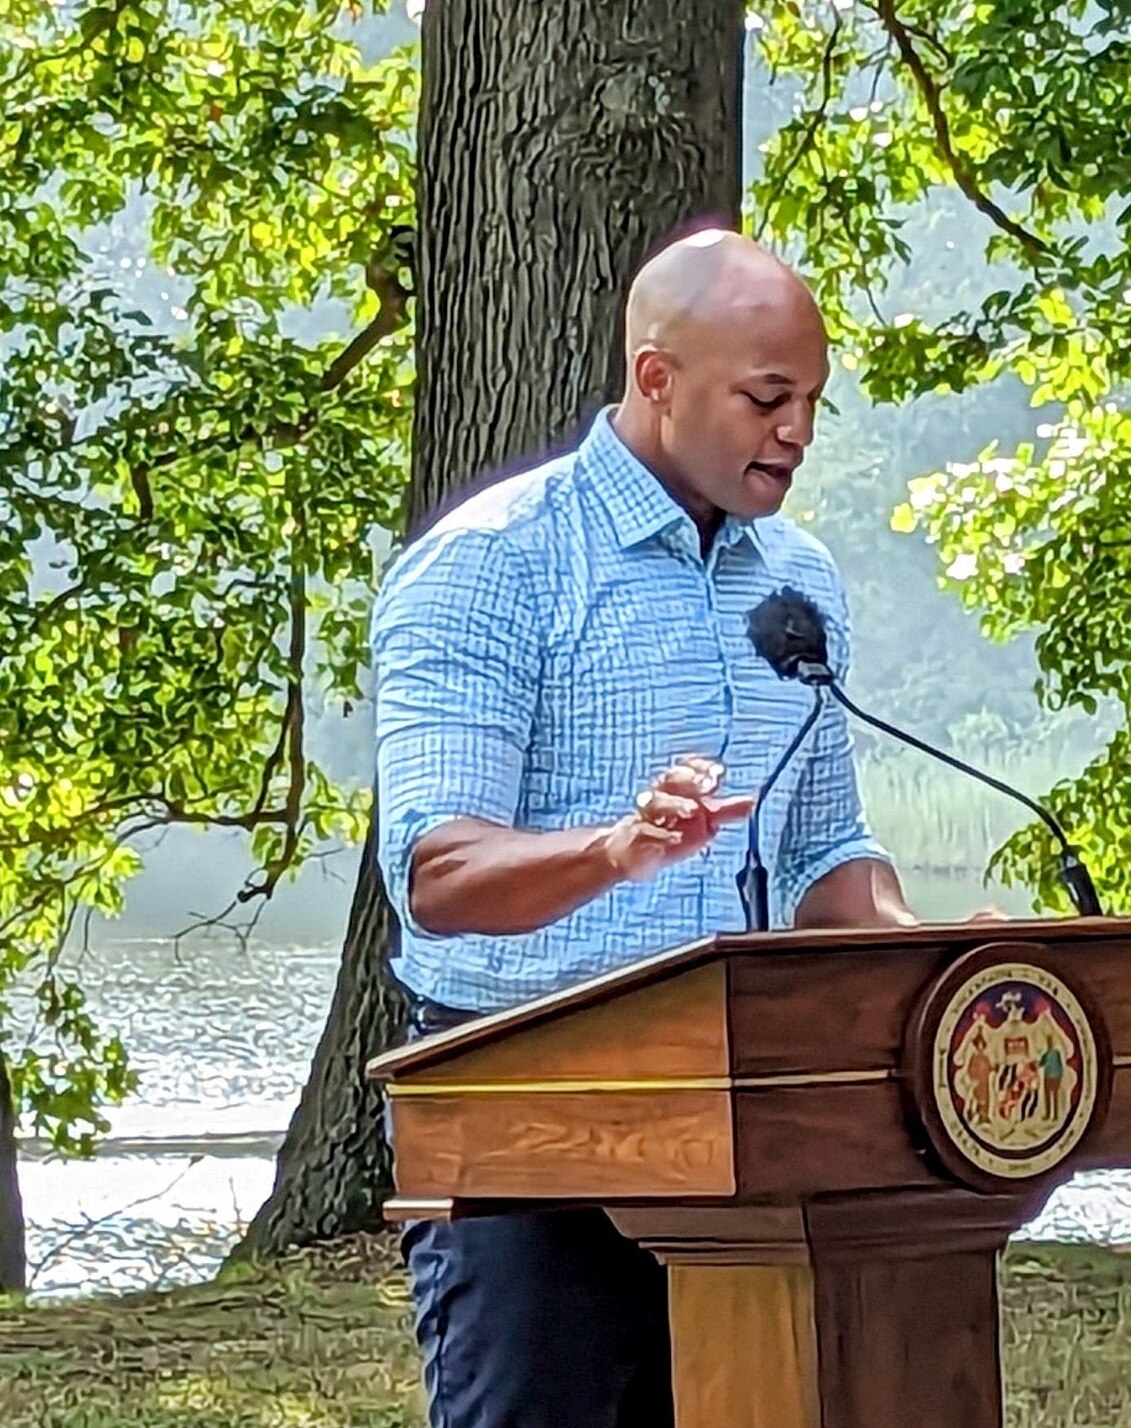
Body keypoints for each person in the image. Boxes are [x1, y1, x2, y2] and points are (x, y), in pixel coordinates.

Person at [370, 228, 974, 1428]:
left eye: (811, 401)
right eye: (767, 398)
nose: (796, 430)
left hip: (757, 1139)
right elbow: (436, 872)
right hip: (530, 1128)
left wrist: (942, 954)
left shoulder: (796, 582)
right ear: (657, 380)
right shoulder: (491, 566)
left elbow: (822, 857)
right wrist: (615, 848)